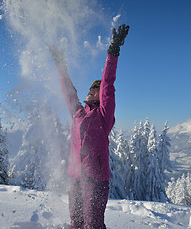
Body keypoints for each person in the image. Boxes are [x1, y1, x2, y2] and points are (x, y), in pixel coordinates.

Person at [50, 24, 129, 229]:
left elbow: (107, 86)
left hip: (95, 178)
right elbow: (68, 90)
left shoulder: (103, 115)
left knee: (93, 224)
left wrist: (113, 52)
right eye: (90, 89)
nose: (91, 92)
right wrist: (60, 63)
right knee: (76, 222)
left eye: (95, 90)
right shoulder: (78, 112)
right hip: (74, 176)